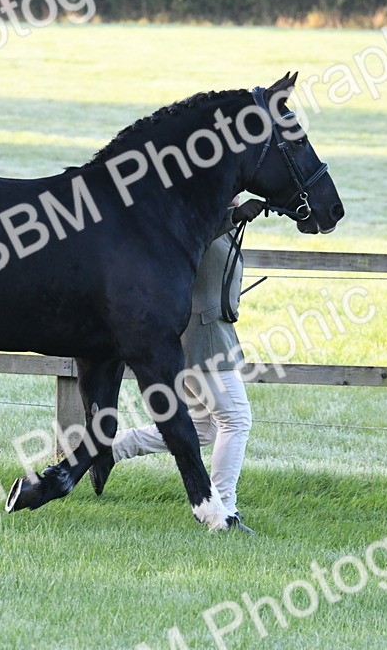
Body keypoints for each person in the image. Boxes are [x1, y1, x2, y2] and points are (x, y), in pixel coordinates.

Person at [91, 196, 267, 530]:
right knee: (236, 419)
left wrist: (235, 215)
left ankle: (113, 449)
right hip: (203, 339)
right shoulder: (196, 217)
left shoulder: (217, 219)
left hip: (211, 335)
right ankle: (224, 509)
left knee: (202, 428)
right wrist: (232, 215)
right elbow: (200, 234)